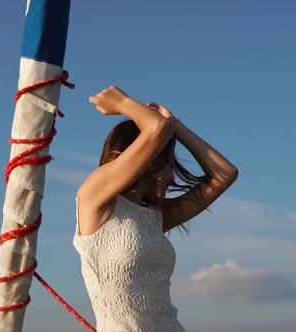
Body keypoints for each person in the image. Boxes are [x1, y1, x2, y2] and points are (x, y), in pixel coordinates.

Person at [73, 86, 238, 331]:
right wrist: (123, 103)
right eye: (170, 164)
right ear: (151, 161)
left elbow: (224, 175)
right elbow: (156, 130)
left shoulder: (156, 217)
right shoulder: (93, 198)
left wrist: (174, 124)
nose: (172, 176)